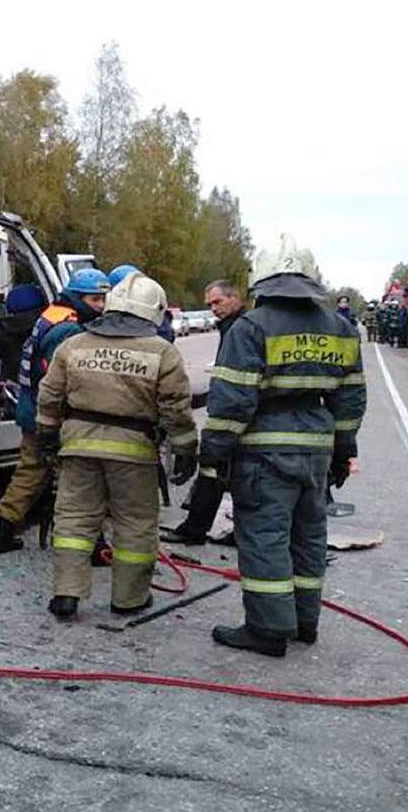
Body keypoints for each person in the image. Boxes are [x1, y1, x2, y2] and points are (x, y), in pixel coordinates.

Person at [200, 234, 365, 657]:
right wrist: (344, 449)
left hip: (264, 452)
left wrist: (214, 451)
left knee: (265, 537)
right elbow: (350, 397)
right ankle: (304, 623)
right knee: (309, 537)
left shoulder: (252, 327)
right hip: (317, 450)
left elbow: (233, 400)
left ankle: (268, 630)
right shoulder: (340, 327)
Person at [37, 272, 198, 619]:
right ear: (153, 311)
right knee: (135, 524)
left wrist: (47, 436)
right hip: (134, 452)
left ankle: (66, 594)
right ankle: (128, 599)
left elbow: (49, 397)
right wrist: (185, 448)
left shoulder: (74, 345)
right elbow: (175, 408)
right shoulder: (161, 352)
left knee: (74, 521)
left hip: (77, 446)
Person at [0, 268, 111, 553]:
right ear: (78, 297)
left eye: (104, 299)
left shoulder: (52, 314)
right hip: (51, 416)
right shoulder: (68, 328)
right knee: (74, 479)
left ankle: (3, 533)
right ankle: (93, 545)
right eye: (95, 300)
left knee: (30, 472)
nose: (102, 306)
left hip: (32, 411)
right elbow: (59, 380)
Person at [160, 279, 246, 545]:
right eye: (209, 304)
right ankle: (198, 528)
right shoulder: (232, 327)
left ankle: (198, 529)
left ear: (236, 298)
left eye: (217, 302)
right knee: (218, 469)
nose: (213, 309)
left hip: (235, 413)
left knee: (219, 467)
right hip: (228, 408)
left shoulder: (243, 329)